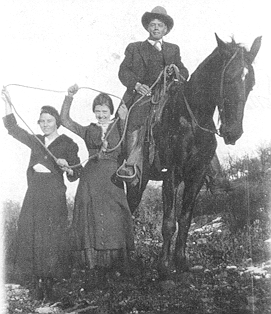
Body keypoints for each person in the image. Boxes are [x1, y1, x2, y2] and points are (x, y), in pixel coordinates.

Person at [2, 88, 82, 301]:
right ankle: (37, 281)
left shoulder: (67, 143)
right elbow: (12, 127)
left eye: (48, 121)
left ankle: (50, 283)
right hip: (34, 191)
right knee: (32, 233)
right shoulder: (36, 140)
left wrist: (68, 167)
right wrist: (7, 102)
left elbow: (77, 173)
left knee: (52, 238)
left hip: (53, 192)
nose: (44, 125)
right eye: (41, 121)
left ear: (56, 121)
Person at [60, 85, 134, 289]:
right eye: (98, 111)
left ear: (111, 111)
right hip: (90, 180)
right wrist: (69, 96)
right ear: (94, 112)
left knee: (114, 219)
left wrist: (125, 118)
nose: (101, 115)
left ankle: (118, 266)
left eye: (105, 111)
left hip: (112, 179)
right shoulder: (88, 130)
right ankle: (95, 269)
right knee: (92, 220)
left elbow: (130, 146)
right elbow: (65, 120)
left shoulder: (120, 126)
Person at [116, 6, 189, 186]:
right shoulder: (134, 48)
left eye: (160, 25)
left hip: (168, 96)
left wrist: (177, 71)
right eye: (153, 24)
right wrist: (137, 85)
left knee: (192, 120)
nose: (156, 28)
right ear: (148, 28)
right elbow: (123, 71)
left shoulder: (173, 49)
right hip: (143, 96)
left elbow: (185, 71)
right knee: (134, 121)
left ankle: (211, 171)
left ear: (165, 30)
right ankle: (131, 165)